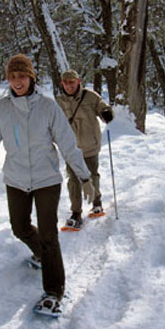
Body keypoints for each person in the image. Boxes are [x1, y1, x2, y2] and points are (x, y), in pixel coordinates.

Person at [0, 54, 95, 316]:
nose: (17, 81)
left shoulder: (49, 108)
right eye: (13, 76)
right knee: (19, 227)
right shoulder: (1, 110)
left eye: (22, 76)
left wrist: (85, 177)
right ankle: (42, 256)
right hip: (15, 180)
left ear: (31, 78)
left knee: (49, 236)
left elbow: (68, 145)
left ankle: (54, 292)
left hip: (46, 180)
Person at [56, 69, 114, 230]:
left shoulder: (90, 96)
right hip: (71, 148)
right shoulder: (59, 101)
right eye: (66, 83)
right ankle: (76, 213)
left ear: (78, 81)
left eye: (72, 82)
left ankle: (97, 203)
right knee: (73, 181)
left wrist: (106, 112)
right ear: (62, 84)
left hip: (90, 145)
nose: (69, 86)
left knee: (92, 176)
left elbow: (102, 106)